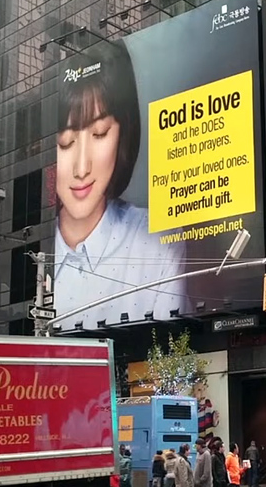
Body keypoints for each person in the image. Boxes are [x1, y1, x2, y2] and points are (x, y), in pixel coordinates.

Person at [53, 41, 186, 330]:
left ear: (123, 134)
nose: (81, 168)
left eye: (100, 133)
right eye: (66, 142)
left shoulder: (158, 242)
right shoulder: (35, 255)